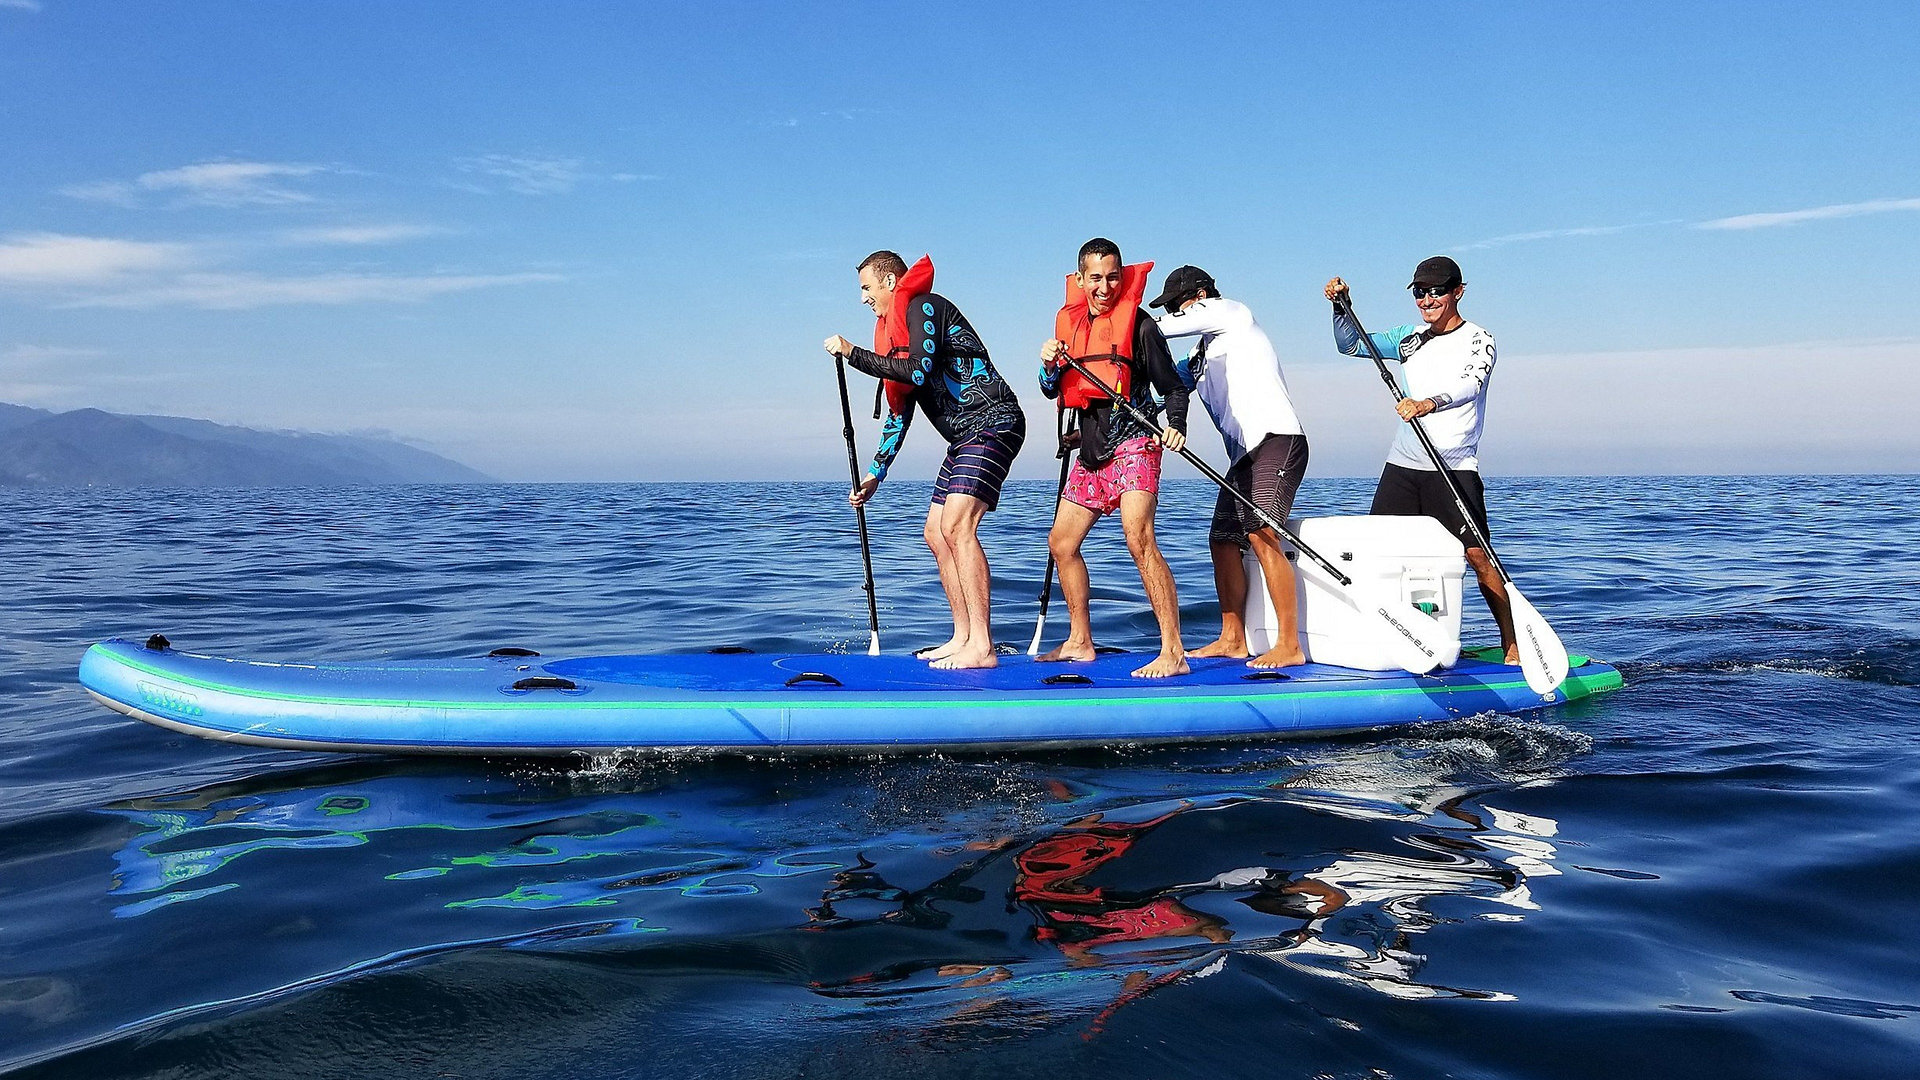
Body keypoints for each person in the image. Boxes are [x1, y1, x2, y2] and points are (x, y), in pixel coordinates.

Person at [824, 251, 1025, 670]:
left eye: (866, 287)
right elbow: (901, 410)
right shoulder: (896, 333)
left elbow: (918, 371)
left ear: (891, 282)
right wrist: (875, 473)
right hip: (963, 438)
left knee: (957, 525)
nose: (863, 299)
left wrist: (852, 352)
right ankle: (963, 635)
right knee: (935, 532)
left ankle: (983, 646)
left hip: (994, 422)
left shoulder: (924, 307)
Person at [1325, 255, 1517, 663]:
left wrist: (1429, 403)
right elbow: (1351, 344)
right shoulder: (1408, 338)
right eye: (1420, 292)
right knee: (1374, 553)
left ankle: (1513, 643)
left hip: (1453, 467)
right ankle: (1382, 639)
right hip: (1404, 465)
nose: (1427, 299)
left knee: (1478, 556)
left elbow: (1471, 384)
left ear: (1457, 292)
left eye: (1437, 291)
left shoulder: (1480, 339)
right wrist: (1341, 307)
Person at [1035, 237, 1191, 679]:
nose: (1105, 287)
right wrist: (1048, 364)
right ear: (1080, 279)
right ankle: (1080, 641)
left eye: (1113, 277)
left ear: (1122, 278)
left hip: (1136, 442)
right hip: (1091, 452)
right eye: (1096, 278)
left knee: (1138, 537)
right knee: (1061, 543)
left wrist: (1176, 423)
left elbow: (1174, 387)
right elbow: (1051, 389)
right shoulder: (1070, 327)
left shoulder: (1140, 326)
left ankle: (1173, 651)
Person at [1150, 265, 1310, 669]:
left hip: (1278, 440)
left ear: (1201, 296)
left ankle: (1289, 644)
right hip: (1243, 457)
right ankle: (1233, 637)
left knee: (1261, 532)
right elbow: (1165, 392)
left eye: (1177, 304)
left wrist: (1116, 321)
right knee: (1222, 540)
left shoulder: (1232, 312)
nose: (1174, 312)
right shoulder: (1198, 355)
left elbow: (1155, 330)